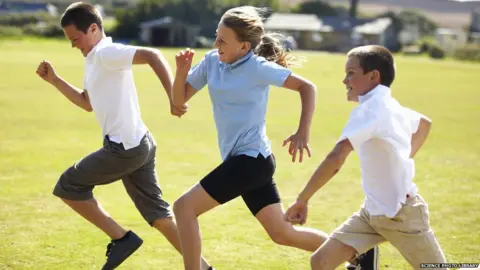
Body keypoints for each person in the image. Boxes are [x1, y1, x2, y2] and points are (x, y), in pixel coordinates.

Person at [171, 6, 375, 270]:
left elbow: (307, 87)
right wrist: (181, 71)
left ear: (244, 47)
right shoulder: (212, 61)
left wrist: (303, 131)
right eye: (216, 36)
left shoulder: (257, 67)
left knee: (184, 208)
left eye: (223, 40)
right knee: (283, 234)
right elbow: (179, 102)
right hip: (246, 162)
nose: (216, 43)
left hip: (251, 160)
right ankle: (358, 254)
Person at [35, 2, 212, 269]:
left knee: (68, 186)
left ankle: (122, 238)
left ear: (93, 29)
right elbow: (86, 102)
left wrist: (173, 99)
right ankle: (204, 268)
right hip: (140, 143)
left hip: (125, 148)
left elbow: (152, 55)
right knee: (160, 217)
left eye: (75, 39)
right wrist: (55, 80)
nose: (74, 45)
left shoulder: (107, 52)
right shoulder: (95, 58)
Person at [285, 45, 446, 270]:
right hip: (372, 213)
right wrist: (400, 158)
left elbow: (337, 156)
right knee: (321, 261)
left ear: (373, 76)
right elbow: (424, 124)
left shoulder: (371, 110)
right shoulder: (388, 105)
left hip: (403, 215)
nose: (344, 80)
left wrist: (302, 199)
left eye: (351, 73)